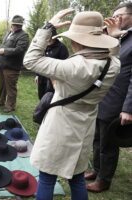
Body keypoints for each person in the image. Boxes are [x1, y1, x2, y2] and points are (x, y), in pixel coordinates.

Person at [24, 9, 120, 200]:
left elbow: (31, 60)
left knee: (47, 177)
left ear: (77, 40)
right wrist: (114, 39)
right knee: (76, 178)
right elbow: (113, 54)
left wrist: (47, 28)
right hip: (85, 125)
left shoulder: (73, 66)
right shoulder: (113, 64)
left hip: (60, 125)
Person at [86, 2, 132, 192]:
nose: (115, 19)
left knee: (108, 142)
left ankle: (104, 180)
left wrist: (128, 108)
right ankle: (97, 170)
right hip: (103, 96)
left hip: (117, 100)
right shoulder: (120, 36)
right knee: (97, 137)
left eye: (119, 15)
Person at [0, 15, 29, 113]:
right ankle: (1, 101)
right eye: (15, 24)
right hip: (2, 64)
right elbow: (4, 45)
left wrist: (5, 51)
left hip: (12, 66)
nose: (16, 26)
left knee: (10, 87)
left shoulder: (23, 35)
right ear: (12, 24)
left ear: (21, 26)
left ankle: (10, 106)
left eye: (18, 25)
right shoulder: (9, 32)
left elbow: (20, 50)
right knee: (2, 85)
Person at [35, 30, 69, 100]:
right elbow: (38, 61)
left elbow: (65, 64)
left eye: (51, 38)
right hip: (42, 76)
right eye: (47, 38)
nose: (49, 40)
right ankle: (43, 109)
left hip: (54, 78)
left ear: (55, 38)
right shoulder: (42, 46)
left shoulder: (61, 47)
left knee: (51, 98)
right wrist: (37, 75)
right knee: (41, 97)